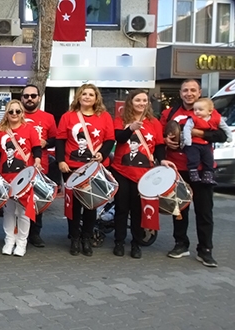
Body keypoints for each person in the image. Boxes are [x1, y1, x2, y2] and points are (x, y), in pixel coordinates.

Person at [161, 79, 228, 267]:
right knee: (178, 209)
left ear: (199, 92)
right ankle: (181, 244)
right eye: (185, 90)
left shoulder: (208, 111)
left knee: (204, 211)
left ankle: (205, 250)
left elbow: (222, 136)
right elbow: (160, 135)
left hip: (202, 169)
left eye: (193, 90)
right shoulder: (170, 113)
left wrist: (200, 134)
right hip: (177, 168)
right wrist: (166, 140)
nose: (189, 93)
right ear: (180, 93)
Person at [56, 83, 115, 257]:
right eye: (84, 94)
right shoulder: (68, 117)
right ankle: (74, 238)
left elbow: (110, 140)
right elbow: (60, 140)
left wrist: (102, 155)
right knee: (73, 206)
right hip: (71, 167)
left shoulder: (104, 117)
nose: (87, 97)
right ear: (79, 97)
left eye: (91, 94)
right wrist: (60, 161)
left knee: (91, 205)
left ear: (96, 98)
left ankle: (86, 238)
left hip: (93, 169)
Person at [111, 89, 170, 259]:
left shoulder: (154, 122)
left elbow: (158, 145)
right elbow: (119, 138)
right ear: (131, 102)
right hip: (122, 171)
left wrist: (163, 160)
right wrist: (130, 128)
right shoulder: (121, 119)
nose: (141, 103)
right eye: (138, 100)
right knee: (122, 209)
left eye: (144, 100)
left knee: (138, 210)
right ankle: (119, 242)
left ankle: (136, 243)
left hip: (144, 174)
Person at [0, 100, 42, 257]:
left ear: (22, 113)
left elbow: (36, 149)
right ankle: (9, 240)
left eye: (17, 111)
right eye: (11, 111)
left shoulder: (30, 130)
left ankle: (21, 243)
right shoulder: (0, 131)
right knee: (8, 212)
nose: (14, 114)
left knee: (23, 212)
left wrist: (38, 161)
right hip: (6, 178)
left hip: (24, 179)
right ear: (6, 113)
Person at [20, 84, 56, 248]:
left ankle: (35, 234)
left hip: (40, 165)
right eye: (26, 96)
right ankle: (18, 233)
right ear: (22, 98)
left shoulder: (48, 117)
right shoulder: (15, 115)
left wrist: (46, 142)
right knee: (18, 201)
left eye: (33, 96)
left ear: (39, 98)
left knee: (37, 200)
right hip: (18, 165)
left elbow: (56, 139)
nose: (29, 99)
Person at [182, 97, 232, 184]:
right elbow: (187, 129)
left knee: (209, 160)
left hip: (206, 145)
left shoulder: (216, 118)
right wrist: (188, 141)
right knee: (193, 159)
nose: (197, 112)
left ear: (209, 111)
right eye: (195, 109)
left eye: (200, 110)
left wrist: (229, 137)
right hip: (194, 143)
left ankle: (208, 177)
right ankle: (194, 174)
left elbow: (225, 128)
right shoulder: (192, 119)